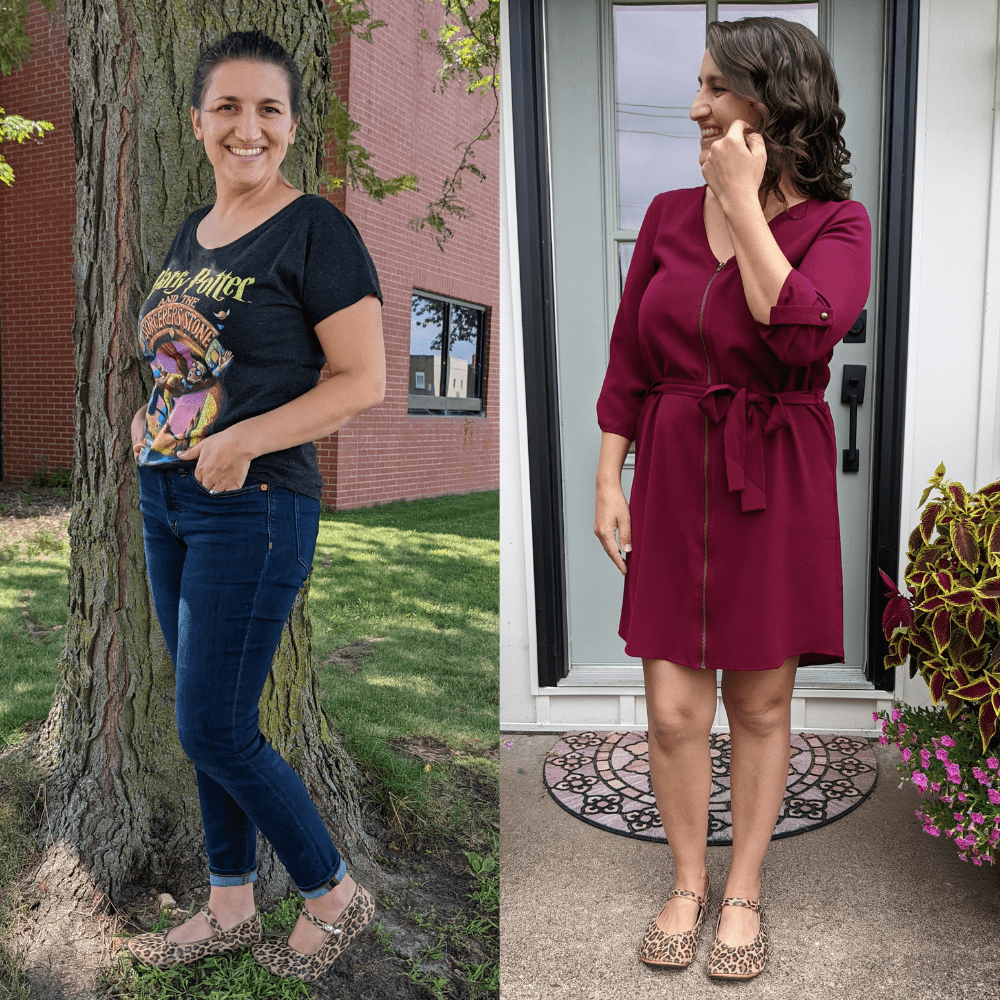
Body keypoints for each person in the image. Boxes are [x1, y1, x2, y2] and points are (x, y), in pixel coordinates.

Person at [593, 17, 871, 980]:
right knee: (672, 709)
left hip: (774, 472)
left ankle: (742, 889)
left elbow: (797, 335)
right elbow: (630, 355)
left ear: (772, 97)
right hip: (673, 469)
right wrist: (606, 475)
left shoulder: (841, 223)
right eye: (699, 84)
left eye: (716, 86)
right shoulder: (668, 215)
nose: (697, 104)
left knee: (758, 702)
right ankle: (686, 879)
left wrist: (747, 205)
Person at [124, 30, 385, 983]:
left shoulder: (317, 228)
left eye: (267, 108)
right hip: (168, 497)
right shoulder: (188, 236)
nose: (248, 127)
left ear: (291, 124)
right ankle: (230, 897)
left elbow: (363, 381)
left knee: (213, 727)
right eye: (228, 108)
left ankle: (332, 892)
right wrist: (153, 433)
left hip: (256, 502)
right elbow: (182, 363)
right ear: (197, 122)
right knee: (207, 711)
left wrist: (243, 439)